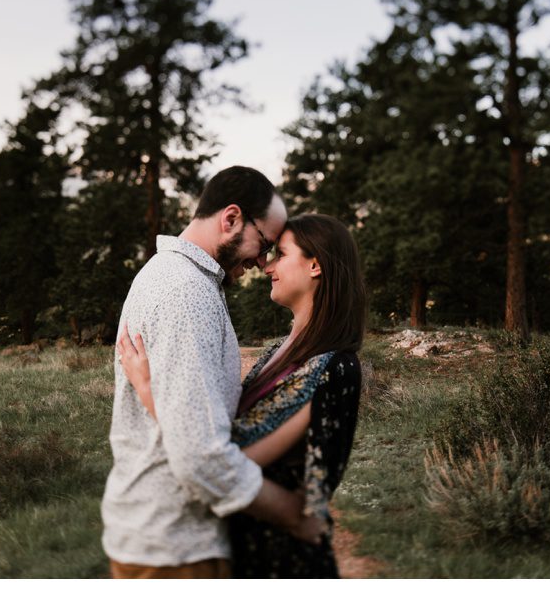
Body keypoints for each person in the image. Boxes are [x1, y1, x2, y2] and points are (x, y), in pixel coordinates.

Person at [101, 166, 321, 579]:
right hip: (176, 547)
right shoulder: (185, 293)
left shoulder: (175, 277)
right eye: (264, 243)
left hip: (161, 537)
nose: (261, 261)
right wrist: (294, 514)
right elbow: (200, 457)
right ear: (231, 219)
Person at [118, 213, 366, 578]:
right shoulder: (280, 352)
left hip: (282, 562)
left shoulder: (333, 368)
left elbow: (229, 452)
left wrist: (149, 391)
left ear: (316, 266)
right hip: (244, 551)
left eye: (280, 254)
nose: (266, 267)